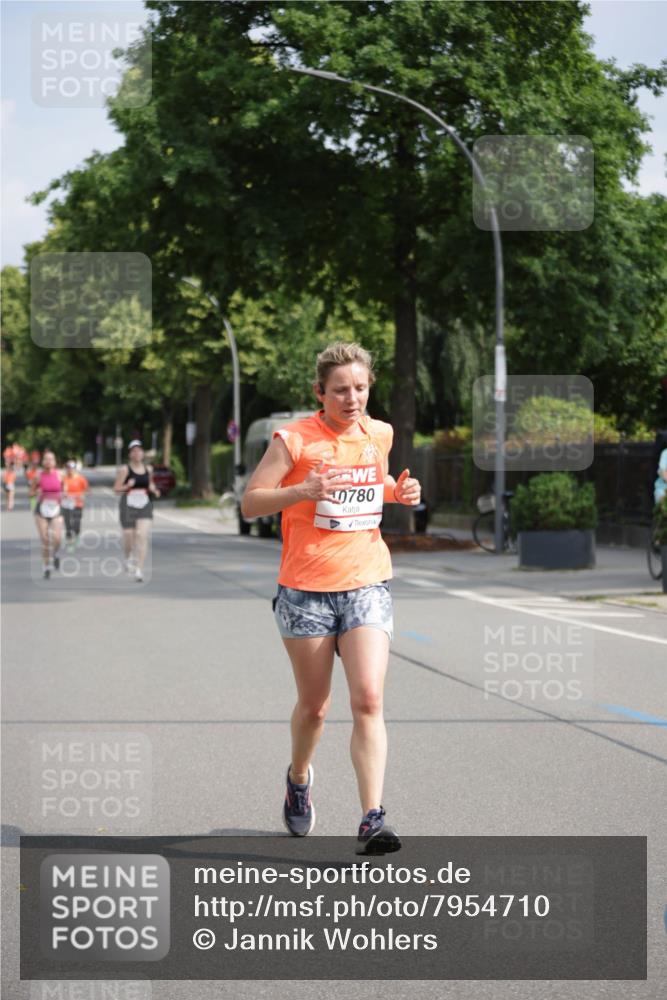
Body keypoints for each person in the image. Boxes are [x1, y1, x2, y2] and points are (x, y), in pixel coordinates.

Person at [241, 342, 421, 855]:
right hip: (305, 592)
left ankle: (372, 817)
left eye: (360, 388)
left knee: (368, 698)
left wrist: (398, 492)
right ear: (320, 393)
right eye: (340, 390)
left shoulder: (378, 433)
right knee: (315, 708)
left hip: (366, 581)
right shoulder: (293, 439)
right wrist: (301, 491)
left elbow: (373, 484)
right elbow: (252, 501)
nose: (352, 398)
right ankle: (298, 778)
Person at [113, 440, 160, 582]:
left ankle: (139, 569)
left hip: (145, 504)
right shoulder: (124, 470)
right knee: (129, 535)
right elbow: (116, 489)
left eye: (139, 450)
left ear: (142, 453)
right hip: (128, 503)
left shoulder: (148, 469)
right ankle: (128, 558)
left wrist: (154, 490)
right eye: (134, 450)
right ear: (130, 454)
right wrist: (127, 485)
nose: (137, 453)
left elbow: (150, 483)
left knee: (141, 535)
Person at [29, 449, 64, 579]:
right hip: (41, 510)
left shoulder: (60, 475)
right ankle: (46, 566)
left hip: (56, 509)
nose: (48, 461)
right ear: (43, 462)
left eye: (51, 459)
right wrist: (35, 493)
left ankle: (55, 554)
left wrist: (64, 495)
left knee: (57, 538)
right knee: (45, 539)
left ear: (55, 462)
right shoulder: (38, 476)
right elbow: (30, 493)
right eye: (46, 459)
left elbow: (65, 490)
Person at [61, 460, 90, 550]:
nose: (70, 470)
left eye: (71, 468)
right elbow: (58, 490)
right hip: (66, 504)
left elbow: (87, 490)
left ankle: (76, 536)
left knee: (76, 523)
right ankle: (69, 540)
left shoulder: (81, 479)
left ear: (75, 469)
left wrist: (82, 495)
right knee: (68, 523)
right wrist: (63, 492)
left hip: (78, 504)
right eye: (68, 468)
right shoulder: (63, 478)